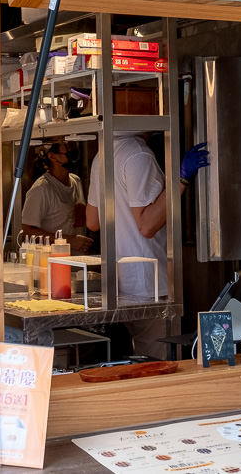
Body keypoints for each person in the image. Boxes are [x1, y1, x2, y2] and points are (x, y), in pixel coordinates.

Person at [85, 134, 209, 358]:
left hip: (120, 283)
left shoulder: (101, 155)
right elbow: (147, 225)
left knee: (137, 362)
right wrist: (181, 180)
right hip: (149, 286)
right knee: (159, 365)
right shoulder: (138, 154)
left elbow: (92, 222)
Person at [21, 141, 92, 253]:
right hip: (53, 264)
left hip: (77, 263)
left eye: (73, 147)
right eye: (67, 148)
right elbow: (27, 232)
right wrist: (69, 241)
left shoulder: (76, 181)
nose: (72, 152)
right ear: (52, 156)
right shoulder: (41, 189)